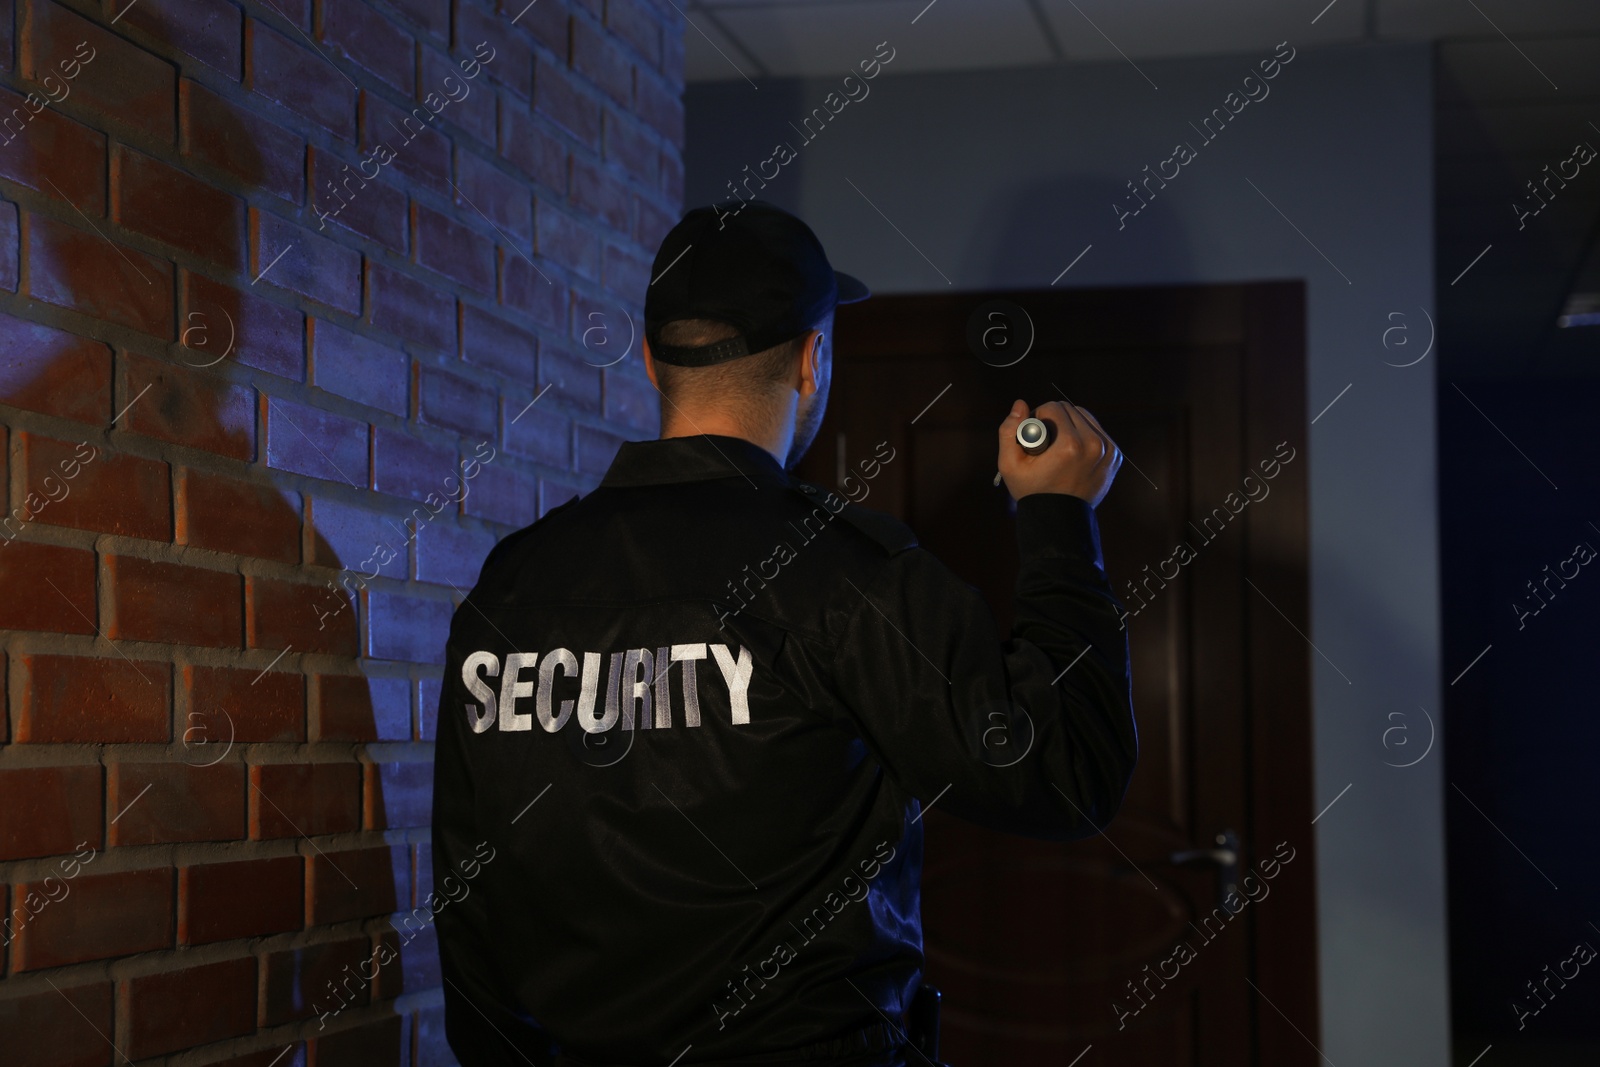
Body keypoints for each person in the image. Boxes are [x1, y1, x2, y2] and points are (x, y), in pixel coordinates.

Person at [431, 199, 1138, 1067]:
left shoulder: (511, 584)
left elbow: (465, 903)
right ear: (811, 361)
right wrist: (1060, 519)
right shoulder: (849, 577)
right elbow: (1068, 773)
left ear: (653, 362)